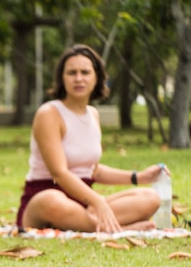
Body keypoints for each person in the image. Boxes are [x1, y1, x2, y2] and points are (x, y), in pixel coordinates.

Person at [16, 44, 163, 233]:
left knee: (150, 197)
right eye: (72, 72)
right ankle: (119, 229)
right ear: (62, 77)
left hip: (84, 206)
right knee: (52, 200)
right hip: (44, 201)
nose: (79, 78)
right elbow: (59, 173)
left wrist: (137, 177)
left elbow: (92, 170)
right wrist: (98, 201)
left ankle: (90, 225)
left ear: (96, 77)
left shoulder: (93, 115)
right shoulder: (49, 113)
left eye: (85, 72)